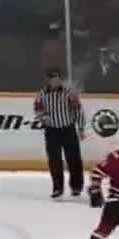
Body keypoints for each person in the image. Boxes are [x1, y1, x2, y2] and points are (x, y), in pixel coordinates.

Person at [33, 67, 85, 198]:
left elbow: (78, 110)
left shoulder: (69, 92)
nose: (54, 81)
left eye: (56, 79)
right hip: (51, 131)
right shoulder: (42, 94)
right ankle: (57, 188)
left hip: (68, 129)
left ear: (60, 79)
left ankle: (76, 187)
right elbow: (37, 108)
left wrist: (81, 128)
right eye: (52, 79)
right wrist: (44, 117)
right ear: (48, 80)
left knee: (73, 159)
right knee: (54, 160)